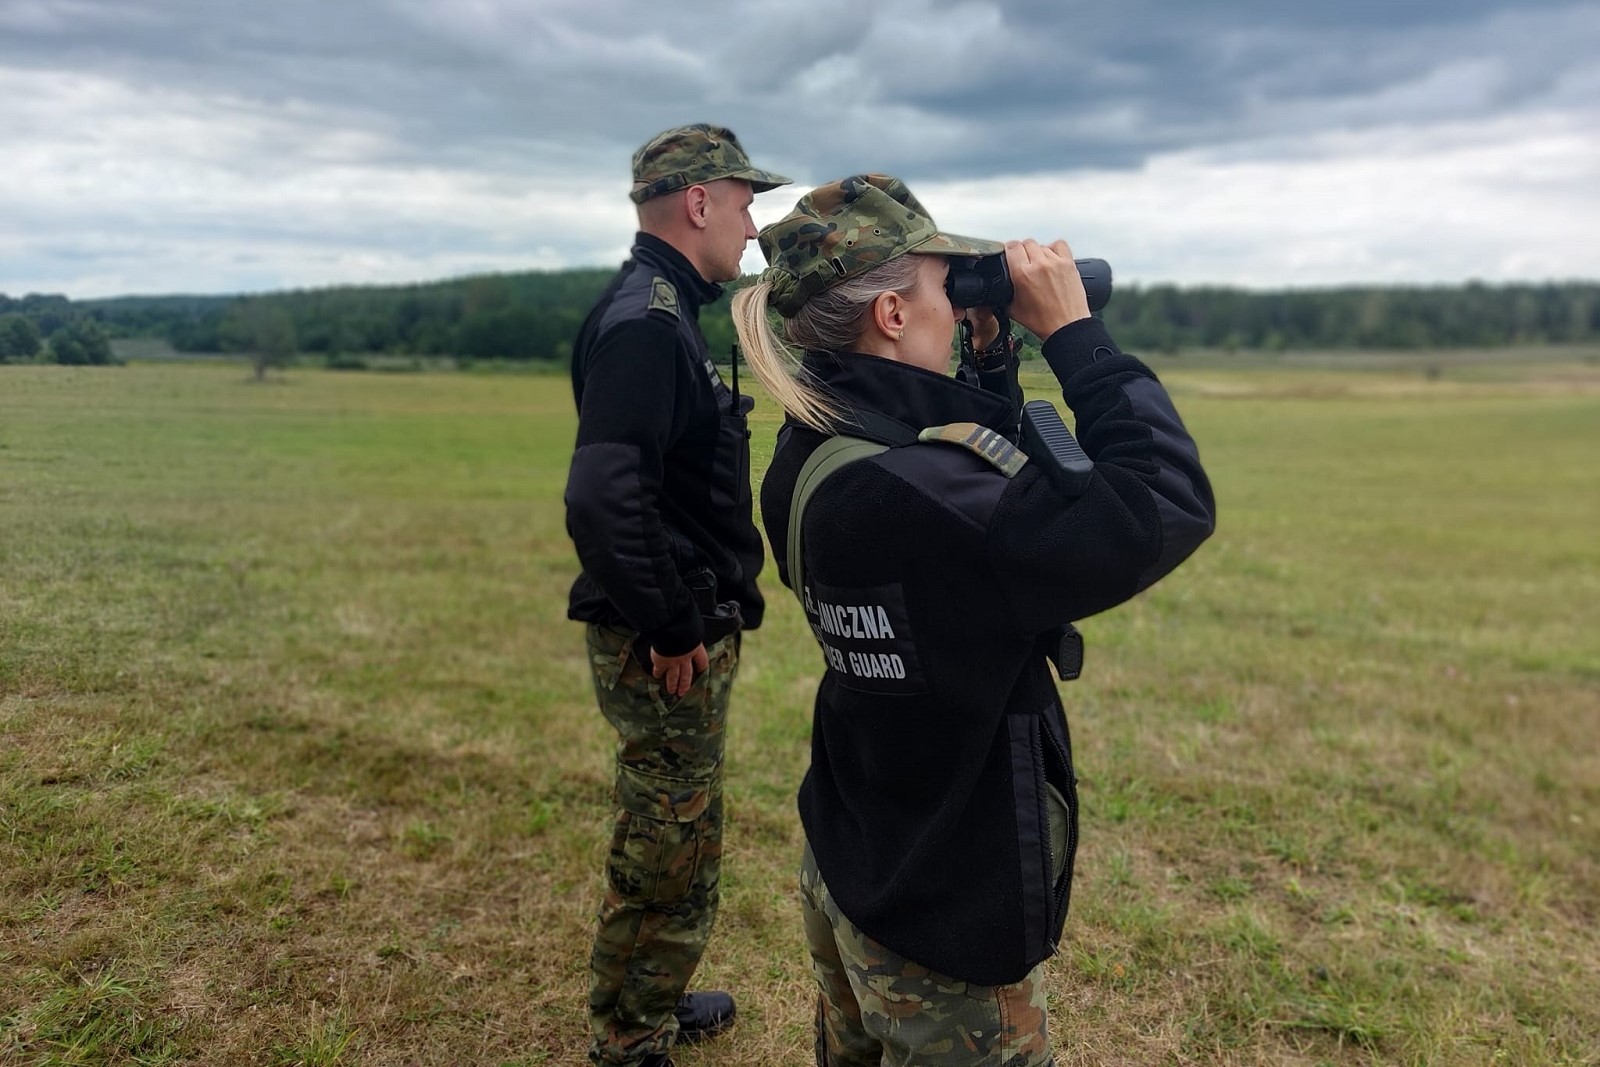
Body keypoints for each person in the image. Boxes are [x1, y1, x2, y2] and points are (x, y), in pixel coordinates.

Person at [732, 174, 1216, 1066]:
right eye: (940, 288)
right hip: (950, 905)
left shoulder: (808, 456)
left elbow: (964, 500)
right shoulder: (930, 500)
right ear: (888, 315)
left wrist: (989, 361)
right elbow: (1163, 503)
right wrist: (1076, 337)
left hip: (858, 855)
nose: (958, 308)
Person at [563, 123, 790, 1067]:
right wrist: (669, 621)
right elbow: (603, 495)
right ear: (698, 202)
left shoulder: (656, 310)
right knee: (669, 835)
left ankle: (646, 1000)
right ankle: (630, 1036)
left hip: (680, 615)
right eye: (743, 205)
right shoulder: (649, 325)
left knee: (676, 827)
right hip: (667, 631)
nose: (749, 229)